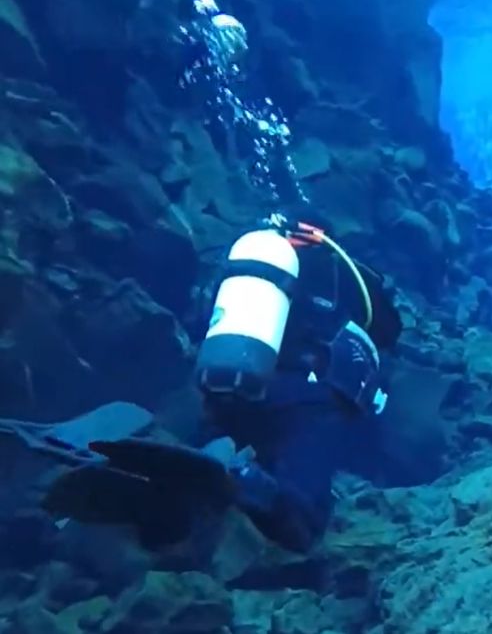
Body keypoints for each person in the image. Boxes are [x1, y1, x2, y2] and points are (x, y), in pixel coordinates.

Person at [3, 208, 402, 553]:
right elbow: (386, 332)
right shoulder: (343, 273)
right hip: (309, 400)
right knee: (301, 523)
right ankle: (235, 476)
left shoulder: (247, 265)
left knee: (192, 472)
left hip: (223, 387)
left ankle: (146, 467)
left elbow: (202, 322)